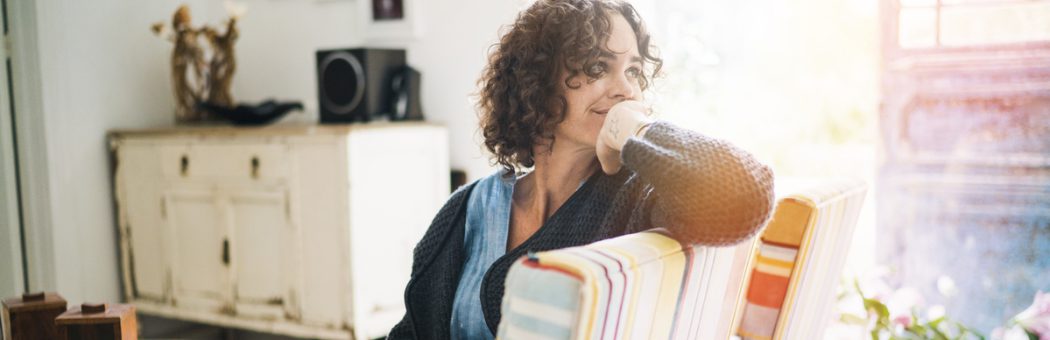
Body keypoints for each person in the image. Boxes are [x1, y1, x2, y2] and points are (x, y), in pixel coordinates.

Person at [387, 0, 775, 338]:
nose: (626, 89)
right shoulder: (467, 209)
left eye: (634, 71)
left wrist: (637, 131)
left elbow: (746, 198)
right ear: (536, 81)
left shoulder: (638, 196)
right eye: (597, 66)